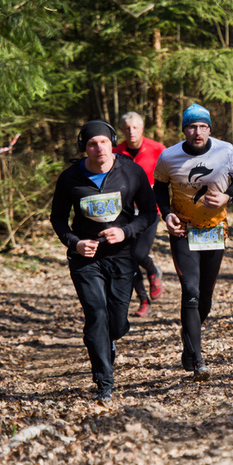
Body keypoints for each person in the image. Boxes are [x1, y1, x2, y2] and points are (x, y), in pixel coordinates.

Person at [50, 120, 157, 401]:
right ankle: (104, 382)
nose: (99, 148)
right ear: (84, 148)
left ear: (112, 143)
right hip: (86, 258)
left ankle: (113, 336)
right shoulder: (70, 178)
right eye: (91, 144)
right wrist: (75, 242)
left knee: (116, 322)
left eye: (104, 142)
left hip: (121, 255)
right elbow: (58, 218)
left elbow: (148, 213)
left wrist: (125, 231)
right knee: (96, 314)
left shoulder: (131, 172)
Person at [153, 104, 233, 381]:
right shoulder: (169, 156)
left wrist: (227, 196)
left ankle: (188, 339)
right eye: (192, 127)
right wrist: (167, 214)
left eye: (202, 126)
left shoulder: (226, 151)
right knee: (190, 292)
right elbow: (159, 187)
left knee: (205, 298)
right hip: (183, 230)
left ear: (209, 129)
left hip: (214, 229)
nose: (197, 132)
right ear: (184, 130)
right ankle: (198, 359)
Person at [115, 112, 167, 318]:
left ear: (142, 129)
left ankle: (153, 269)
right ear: (122, 130)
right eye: (127, 128)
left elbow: (169, 177)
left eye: (135, 127)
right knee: (128, 258)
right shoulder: (115, 152)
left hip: (148, 211)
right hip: (124, 213)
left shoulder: (157, 149)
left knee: (138, 254)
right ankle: (143, 300)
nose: (131, 132)